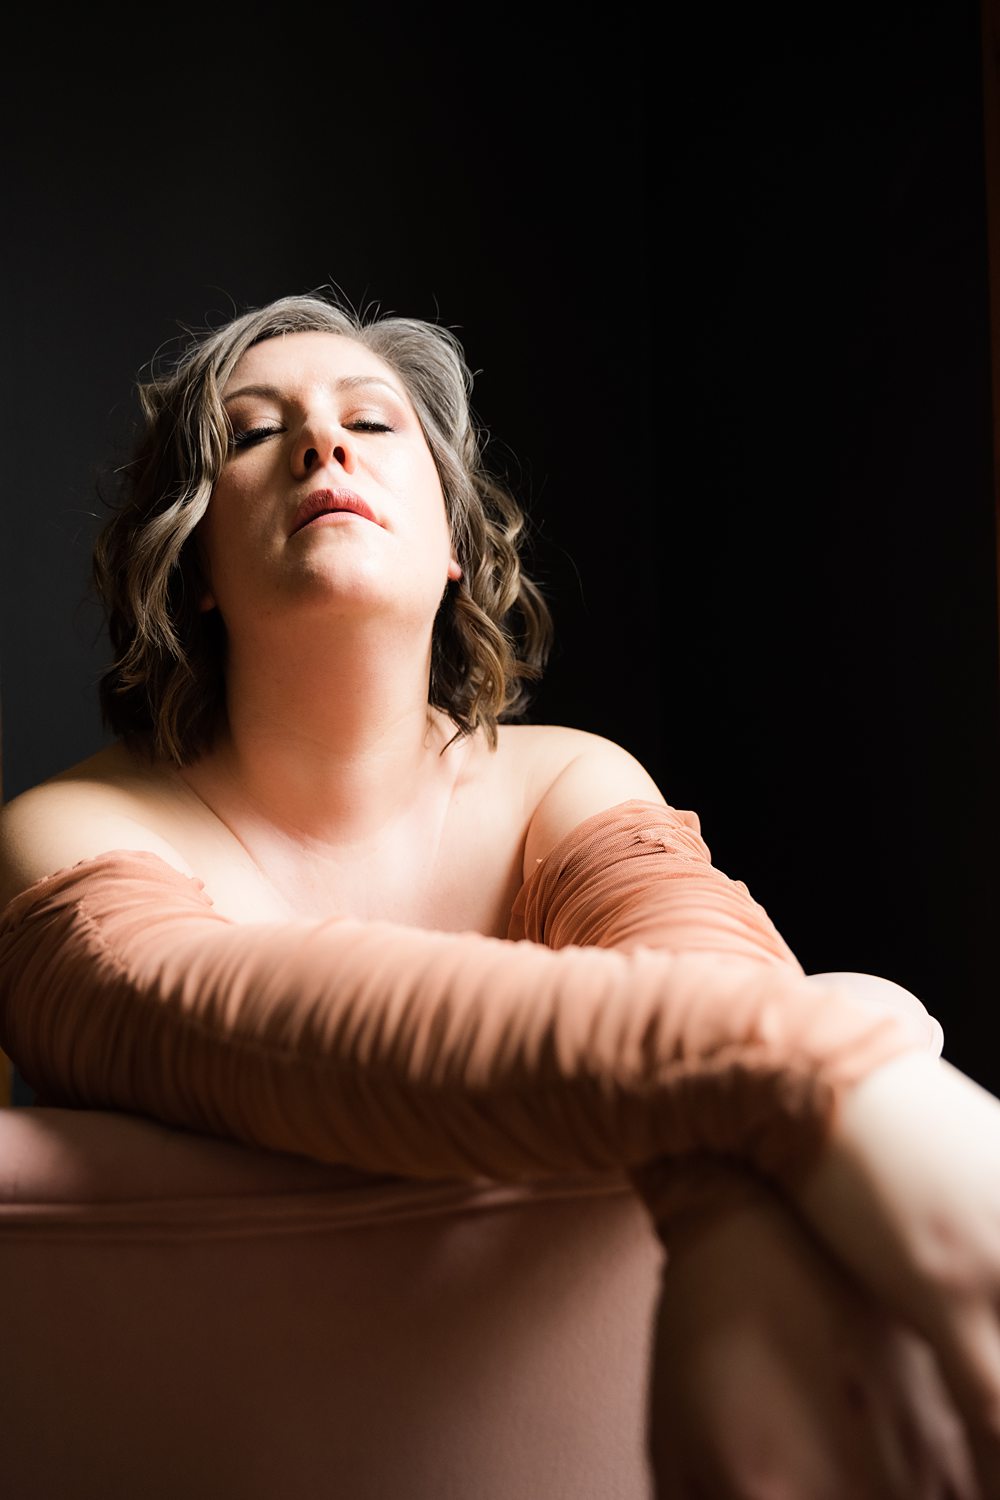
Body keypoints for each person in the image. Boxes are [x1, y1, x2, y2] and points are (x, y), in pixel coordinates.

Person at [0, 288, 998, 1497]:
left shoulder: (563, 779)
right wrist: (842, 1092)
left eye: (372, 423)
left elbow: (713, 989)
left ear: (454, 541)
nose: (323, 444)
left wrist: (722, 1222)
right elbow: (250, 1033)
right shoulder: (65, 834)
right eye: (255, 433)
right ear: (196, 558)